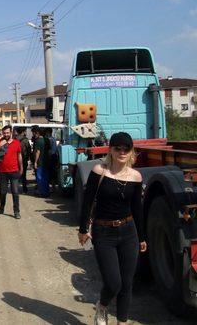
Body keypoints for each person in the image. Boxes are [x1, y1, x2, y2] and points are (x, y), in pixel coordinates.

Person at [78, 132, 146, 325]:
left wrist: (142, 237)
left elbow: (137, 210)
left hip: (128, 232)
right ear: (111, 150)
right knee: (113, 283)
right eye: (118, 148)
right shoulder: (99, 171)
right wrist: (83, 229)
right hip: (103, 232)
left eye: (127, 148)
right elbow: (87, 202)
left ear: (131, 151)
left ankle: (122, 322)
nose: (122, 152)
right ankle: (102, 305)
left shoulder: (136, 176)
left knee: (127, 283)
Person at [0, 125, 23, 219]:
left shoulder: (16, 143)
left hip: (14, 171)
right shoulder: (0, 142)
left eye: (7, 133)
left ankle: (16, 211)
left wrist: (21, 167)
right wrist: (0, 146)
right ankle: (2, 206)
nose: (6, 134)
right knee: (2, 192)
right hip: (2, 172)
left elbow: (19, 155)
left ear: (11, 133)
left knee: (15, 192)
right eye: (4, 133)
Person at [33, 127, 50, 197]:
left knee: (40, 177)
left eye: (34, 133)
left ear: (38, 133)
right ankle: (46, 192)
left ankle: (42, 192)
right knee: (46, 177)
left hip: (40, 162)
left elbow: (38, 152)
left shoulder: (38, 141)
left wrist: (35, 162)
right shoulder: (47, 140)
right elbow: (49, 151)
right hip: (46, 161)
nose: (34, 135)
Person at [15, 127, 32, 194]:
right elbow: (29, 150)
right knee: (23, 175)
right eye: (25, 131)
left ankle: (16, 189)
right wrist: (28, 158)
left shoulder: (14, 139)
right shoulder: (25, 140)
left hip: (16, 159)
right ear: (23, 132)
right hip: (23, 160)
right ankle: (24, 190)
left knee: (16, 175)